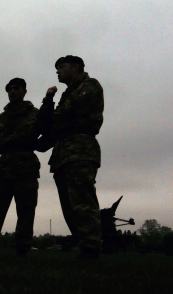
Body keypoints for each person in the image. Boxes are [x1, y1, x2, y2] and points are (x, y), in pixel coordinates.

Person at [37, 55, 104, 260]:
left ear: (75, 67)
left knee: (82, 201)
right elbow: (45, 124)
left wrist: (51, 120)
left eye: (61, 67)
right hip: (63, 153)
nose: (58, 72)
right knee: (69, 205)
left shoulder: (88, 86)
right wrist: (48, 100)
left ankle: (91, 247)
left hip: (80, 150)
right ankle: (85, 246)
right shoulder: (68, 93)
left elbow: (64, 114)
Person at [0, 78, 42, 258]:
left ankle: (22, 249)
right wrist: (5, 150)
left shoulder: (35, 114)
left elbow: (49, 133)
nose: (13, 92)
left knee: (26, 211)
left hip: (26, 166)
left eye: (17, 89)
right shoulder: (2, 117)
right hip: (4, 168)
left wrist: (34, 145)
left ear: (24, 91)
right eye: (10, 89)